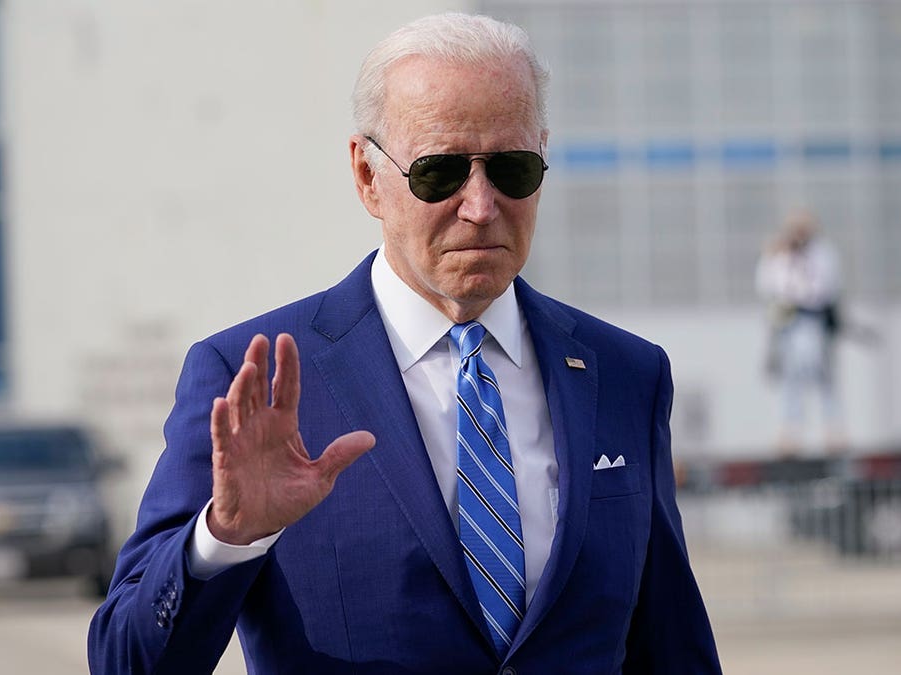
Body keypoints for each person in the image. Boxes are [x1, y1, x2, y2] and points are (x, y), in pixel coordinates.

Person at [88, 13, 720, 674]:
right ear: (368, 175)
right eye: (440, 173)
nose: (480, 205)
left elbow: (673, 648)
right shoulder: (255, 378)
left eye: (511, 168)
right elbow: (125, 660)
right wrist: (226, 537)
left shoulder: (624, 372)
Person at [755, 208, 843, 453]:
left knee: (822, 375)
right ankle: (790, 433)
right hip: (786, 322)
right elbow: (766, 284)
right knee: (790, 378)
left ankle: (833, 431)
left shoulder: (822, 253)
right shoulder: (778, 253)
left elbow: (827, 286)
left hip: (812, 319)